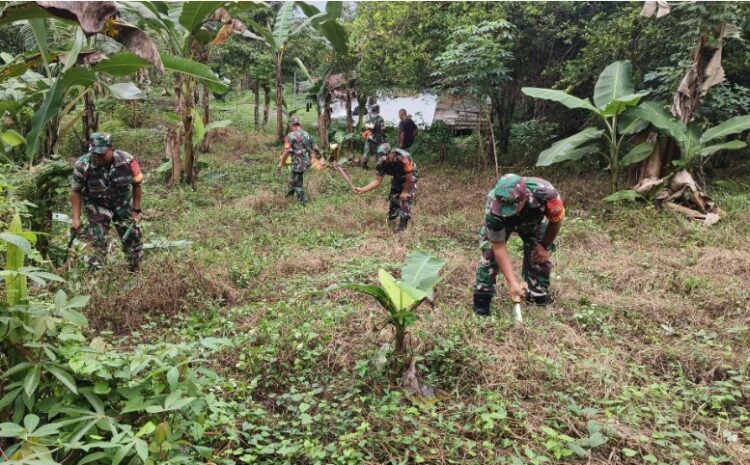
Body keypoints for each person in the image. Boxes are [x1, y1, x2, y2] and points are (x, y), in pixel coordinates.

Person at [472, 174, 565, 315]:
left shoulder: (547, 194)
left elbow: (556, 221)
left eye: (513, 207)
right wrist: (512, 282)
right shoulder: (493, 205)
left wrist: (545, 246)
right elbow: (498, 247)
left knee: (539, 256)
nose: (509, 212)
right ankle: (482, 301)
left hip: (533, 222)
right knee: (489, 254)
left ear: (525, 197)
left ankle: (537, 297)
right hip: (502, 223)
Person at [70, 132, 144, 272]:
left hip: (123, 205)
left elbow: (137, 184)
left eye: (102, 154)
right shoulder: (82, 164)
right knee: (96, 241)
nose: (97, 157)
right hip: (97, 206)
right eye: (94, 154)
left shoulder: (128, 160)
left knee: (133, 238)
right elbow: (76, 191)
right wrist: (76, 219)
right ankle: (95, 276)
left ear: (112, 148)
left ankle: (135, 271)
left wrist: (136, 210)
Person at [353, 143, 418, 232]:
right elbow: (377, 181)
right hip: (397, 176)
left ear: (392, 153)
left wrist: (405, 191)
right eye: (382, 156)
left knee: (405, 198)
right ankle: (392, 217)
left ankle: (403, 225)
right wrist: (362, 189)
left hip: (410, 176)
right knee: (394, 197)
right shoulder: (382, 162)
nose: (384, 158)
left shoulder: (403, 157)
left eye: (386, 155)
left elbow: (409, 174)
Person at [278, 116, 316, 204]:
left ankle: (303, 202)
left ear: (291, 125)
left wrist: (281, 163)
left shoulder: (290, 136)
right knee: (294, 179)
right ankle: (289, 195)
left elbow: (287, 151)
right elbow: (314, 148)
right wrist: (316, 159)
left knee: (298, 184)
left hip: (298, 164)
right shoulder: (307, 134)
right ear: (299, 124)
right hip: (306, 162)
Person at [362, 104, 385, 170]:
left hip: (369, 136)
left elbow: (365, 127)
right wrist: (382, 136)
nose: (379, 110)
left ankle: (364, 164)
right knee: (379, 152)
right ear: (377, 109)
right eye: (378, 108)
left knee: (367, 150)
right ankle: (378, 166)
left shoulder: (367, 117)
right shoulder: (380, 118)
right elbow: (382, 129)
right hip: (377, 137)